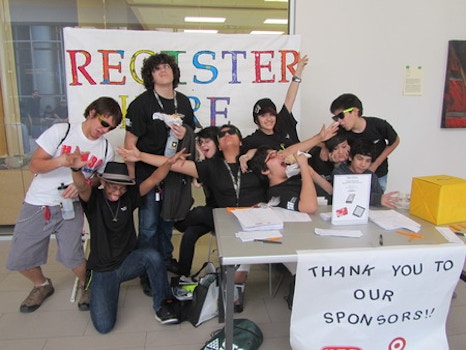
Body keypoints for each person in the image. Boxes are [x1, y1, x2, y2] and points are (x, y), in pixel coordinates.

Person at [119, 124, 267, 312]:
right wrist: (140, 156)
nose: (227, 135)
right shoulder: (211, 166)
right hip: (225, 221)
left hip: (256, 221)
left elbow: (281, 152)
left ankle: (235, 284)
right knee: (191, 233)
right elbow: (174, 163)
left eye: (232, 133)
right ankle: (184, 277)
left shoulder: (254, 161)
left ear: (241, 140)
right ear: (219, 145)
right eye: (222, 134)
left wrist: (252, 152)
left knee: (198, 219)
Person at [6, 96, 122, 313]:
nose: (105, 130)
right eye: (104, 123)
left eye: (111, 127)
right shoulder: (62, 131)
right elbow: (35, 165)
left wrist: (84, 182)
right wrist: (64, 161)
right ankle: (41, 285)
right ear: (92, 113)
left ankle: (87, 284)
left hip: (71, 205)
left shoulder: (106, 148)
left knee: (72, 255)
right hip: (38, 202)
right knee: (20, 257)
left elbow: (101, 178)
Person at [67, 151, 186, 333]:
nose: (117, 192)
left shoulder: (128, 196)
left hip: (127, 262)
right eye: (113, 187)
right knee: (104, 326)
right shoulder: (94, 199)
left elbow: (153, 179)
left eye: (122, 188)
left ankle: (162, 304)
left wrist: (169, 163)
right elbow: (82, 187)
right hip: (103, 268)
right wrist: (76, 169)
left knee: (152, 256)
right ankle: (92, 285)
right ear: (104, 183)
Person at [124, 52, 196, 295]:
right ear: (150, 76)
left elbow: (191, 134)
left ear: (174, 73)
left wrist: (183, 131)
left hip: (174, 173)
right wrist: (132, 181)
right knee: (149, 226)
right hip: (147, 173)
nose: (163, 71)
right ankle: (146, 269)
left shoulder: (183, 101)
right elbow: (129, 143)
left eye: (167, 67)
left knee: (168, 221)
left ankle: (165, 259)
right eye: (157, 69)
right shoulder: (141, 104)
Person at [173, 126, 219, 277]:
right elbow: (197, 183)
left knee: (198, 212)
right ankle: (183, 275)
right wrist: (200, 156)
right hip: (211, 213)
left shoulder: (223, 162)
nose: (204, 145)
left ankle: (178, 222)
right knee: (190, 234)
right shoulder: (206, 163)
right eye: (201, 142)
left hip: (225, 214)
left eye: (207, 142)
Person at [329, 93, 400, 192]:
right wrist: (325, 149)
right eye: (336, 118)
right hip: (351, 177)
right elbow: (325, 141)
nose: (339, 121)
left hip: (378, 174)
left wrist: (375, 164)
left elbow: (395, 140)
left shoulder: (379, 125)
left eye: (341, 116)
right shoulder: (341, 130)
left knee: (377, 202)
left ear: (354, 111)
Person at [241, 54, 309, 152]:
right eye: (263, 115)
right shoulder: (252, 140)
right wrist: (249, 154)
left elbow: (290, 99)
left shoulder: (283, 123)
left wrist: (298, 71)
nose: (268, 119)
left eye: (272, 114)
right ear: (256, 119)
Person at [248, 146, 321, 214]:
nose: (281, 155)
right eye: (273, 156)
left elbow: (330, 192)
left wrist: (312, 173)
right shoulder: (276, 193)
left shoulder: (296, 179)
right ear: (265, 170)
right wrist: (304, 167)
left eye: (279, 153)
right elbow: (309, 207)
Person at [332, 140, 399, 208]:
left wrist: (382, 200)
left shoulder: (371, 176)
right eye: (360, 159)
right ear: (350, 157)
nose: (363, 164)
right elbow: (346, 197)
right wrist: (377, 199)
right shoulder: (339, 173)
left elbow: (380, 198)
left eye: (368, 161)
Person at [309, 130, 350, 203]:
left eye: (344, 147)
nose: (341, 152)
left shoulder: (352, 158)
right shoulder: (316, 157)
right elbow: (332, 192)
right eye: (335, 148)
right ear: (326, 149)